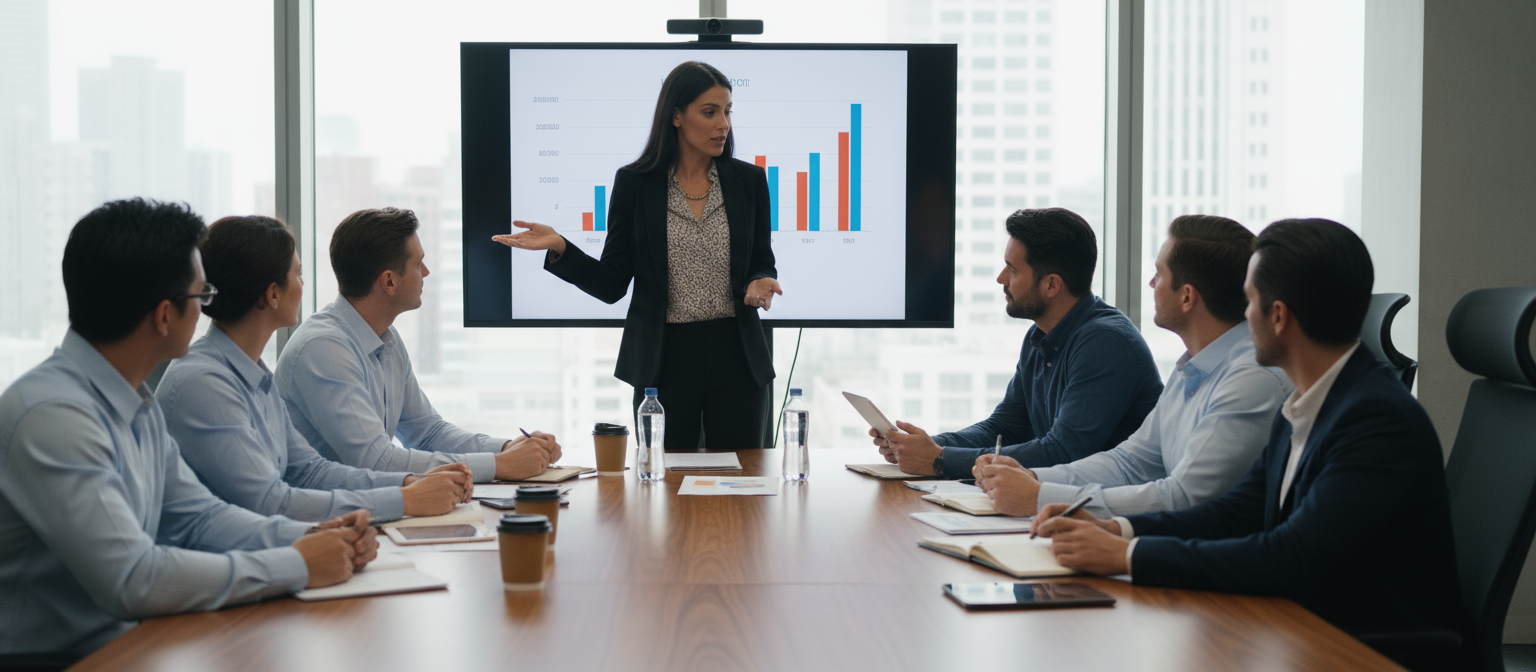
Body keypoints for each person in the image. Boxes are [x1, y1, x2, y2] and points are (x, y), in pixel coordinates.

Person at [1031, 218, 1460, 645]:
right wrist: (1121, 530)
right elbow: (1237, 510)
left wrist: (1127, 555)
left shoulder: (1375, 418)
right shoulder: (1311, 400)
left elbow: (1292, 556)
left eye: (1249, 301)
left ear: (1278, 317)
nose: (1242, 315)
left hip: (1365, 646)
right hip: (1304, 626)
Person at [0, 199, 375, 661]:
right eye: (202, 297)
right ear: (163, 316)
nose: (207, 311)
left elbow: (200, 518)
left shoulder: (134, 399)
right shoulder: (53, 415)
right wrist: (295, 563)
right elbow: (132, 579)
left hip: (137, 644)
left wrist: (314, 536)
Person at [494, 61, 783, 450]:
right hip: (665, 359)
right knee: (663, 486)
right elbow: (612, 283)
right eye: (710, 112)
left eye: (728, 111)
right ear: (677, 116)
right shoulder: (635, 184)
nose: (723, 124)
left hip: (738, 356)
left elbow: (762, 259)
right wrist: (560, 246)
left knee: (744, 484)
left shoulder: (749, 181)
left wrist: (762, 278)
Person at [159, 215, 474, 523]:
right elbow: (269, 502)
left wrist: (408, 483)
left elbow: (309, 470)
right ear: (272, 294)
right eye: (297, 274)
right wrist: (404, 499)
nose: (302, 284)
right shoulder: (204, 382)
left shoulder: (253, 372)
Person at [974, 215, 1291, 518]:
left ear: (1186, 297)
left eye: (1160, 274)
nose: (1152, 283)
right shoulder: (1192, 369)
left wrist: (1039, 496)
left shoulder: (1250, 377)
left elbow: (1184, 498)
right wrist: (1032, 477)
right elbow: (1132, 462)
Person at [872, 207, 1163, 478]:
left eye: (1012, 269)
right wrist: (921, 447)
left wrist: (940, 459)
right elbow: (1004, 428)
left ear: (1051, 285)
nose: (1001, 279)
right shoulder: (1042, 334)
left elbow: (1063, 452)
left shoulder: (1106, 342)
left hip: (1108, 514)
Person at [277, 207, 559, 483]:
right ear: (389, 281)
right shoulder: (324, 348)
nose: (426, 272)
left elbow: (427, 432)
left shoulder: (385, 336)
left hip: (364, 507)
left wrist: (506, 448)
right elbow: (376, 461)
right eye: (417, 264)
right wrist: (499, 465)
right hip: (326, 519)